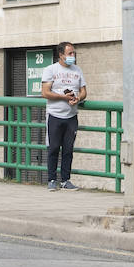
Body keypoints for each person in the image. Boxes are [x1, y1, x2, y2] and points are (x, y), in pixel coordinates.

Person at [39, 41, 87, 191]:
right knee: (53, 148)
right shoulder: (50, 70)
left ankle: (66, 180)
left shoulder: (77, 70)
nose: (73, 56)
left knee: (68, 149)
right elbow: (45, 92)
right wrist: (63, 97)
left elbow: (84, 90)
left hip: (71, 116)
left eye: (74, 53)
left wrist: (78, 98)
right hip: (55, 115)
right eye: (70, 53)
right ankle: (52, 180)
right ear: (61, 55)